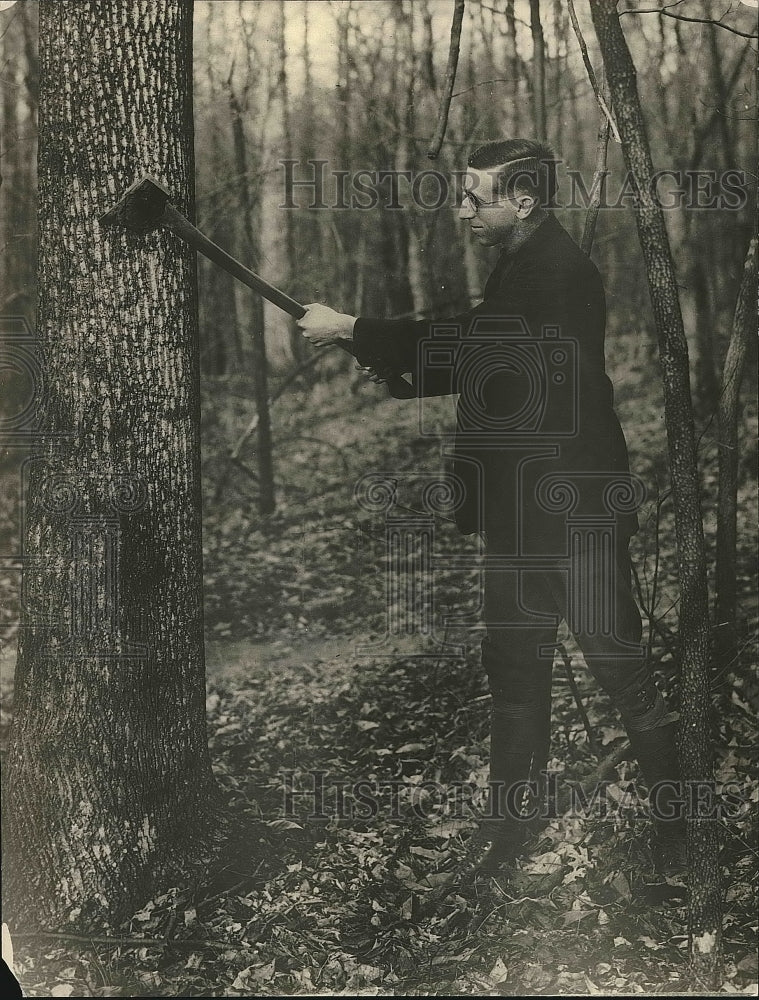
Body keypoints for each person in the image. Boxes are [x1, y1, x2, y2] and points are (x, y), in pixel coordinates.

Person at [298, 138, 685, 875]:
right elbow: (489, 366)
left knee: (621, 673)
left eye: (476, 196)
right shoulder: (520, 267)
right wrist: (379, 358)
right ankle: (506, 834)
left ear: (525, 201)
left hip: (577, 518)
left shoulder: (558, 270)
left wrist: (353, 328)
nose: (463, 209)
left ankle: (679, 839)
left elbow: (481, 347)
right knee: (513, 673)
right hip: (517, 517)